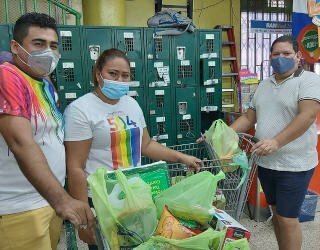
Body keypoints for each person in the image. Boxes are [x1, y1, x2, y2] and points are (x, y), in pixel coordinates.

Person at [64, 48, 202, 248]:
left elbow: (145, 145)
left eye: (125, 75)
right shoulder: (80, 110)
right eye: (113, 73)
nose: (119, 80)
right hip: (103, 199)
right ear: (97, 73)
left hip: (135, 193)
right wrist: (83, 217)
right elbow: (75, 167)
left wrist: (182, 158)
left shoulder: (131, 104)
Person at [0, 13, 94, 250]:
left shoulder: (44, 83)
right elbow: (21, 142)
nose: (48, 52)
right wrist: (62, 200)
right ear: (16, 46)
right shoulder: (8, 76)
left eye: (53, 46)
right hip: (19, 209)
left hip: (45, 202)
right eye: (39, 44)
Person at [229, 35, 320, 250]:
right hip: (266, 163)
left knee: (288, 220)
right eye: (276, 54)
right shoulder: (264, 84)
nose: (281, 58)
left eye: (286, 53)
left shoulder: (309, 81)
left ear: (298, 56)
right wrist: (223, 133)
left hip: (295, 164)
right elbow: (249, 118)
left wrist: (277, 142)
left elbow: (306, 117)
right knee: (277, 216)